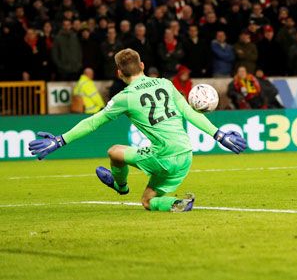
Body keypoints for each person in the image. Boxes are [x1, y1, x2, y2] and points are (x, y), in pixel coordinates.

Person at [28, 49, 247, 212]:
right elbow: (190, 113)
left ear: (119, 73)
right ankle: (176, 203)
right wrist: (219, 134)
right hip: (185, 156)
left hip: (162, 156)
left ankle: (120, 187)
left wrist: (60, 140)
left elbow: (93, 122)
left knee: (114, 151)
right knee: (147, 200)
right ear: (142, 65)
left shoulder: (124, 97)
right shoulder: (165, 84)